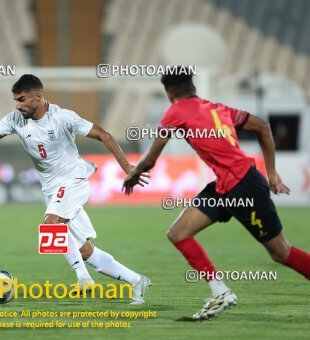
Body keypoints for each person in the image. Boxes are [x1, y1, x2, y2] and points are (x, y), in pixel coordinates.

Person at [123, 66, 310, 319]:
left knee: (281, 252)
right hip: (225, 186)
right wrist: (272, 172)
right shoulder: (221, 110)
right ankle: (220, 291)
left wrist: (133, 174)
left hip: (243, 185)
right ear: (194, 88)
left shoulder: (174, 112)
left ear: (169, 94)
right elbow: (263, 127)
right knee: (178, 233)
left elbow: (151, 160)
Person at [0, 74, 151, 304]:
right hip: (52, 189)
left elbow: (103, 135)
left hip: (73, 179)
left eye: (22, 100)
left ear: (38, 96)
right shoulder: (15, 119)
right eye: (15, 100)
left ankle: (83, 278)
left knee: (51, 224)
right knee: (85, 251)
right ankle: (137, 281)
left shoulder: (63, 117)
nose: (18, 105)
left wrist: (127, 167)